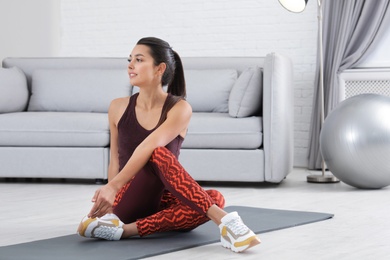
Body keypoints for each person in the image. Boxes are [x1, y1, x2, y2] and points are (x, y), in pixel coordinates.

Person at [77, 37, 261, 253]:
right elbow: (116, 158)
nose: (130, 65)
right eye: (130, 59)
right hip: (127, 194)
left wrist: (111, 188)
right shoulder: (117, 107)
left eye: (138, 59)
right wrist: (112, 196)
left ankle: (125, 230)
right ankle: (226, 222)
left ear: (159, 69)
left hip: (161, 197)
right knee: (159, 154)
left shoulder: (180, 108)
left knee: (215, 198)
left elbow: (148, 146)